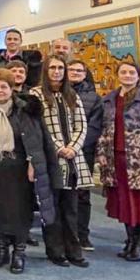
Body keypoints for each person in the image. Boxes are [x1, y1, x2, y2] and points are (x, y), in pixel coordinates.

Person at [0, 69, 58, 274]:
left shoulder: (27, 110)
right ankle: (2, 250)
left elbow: (37, 139)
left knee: (20, 211)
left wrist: (33, 163)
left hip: (20, 168)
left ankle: (19, 253)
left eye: (4, 86)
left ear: (11, 88)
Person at [29, 55, 91, 267]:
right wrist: (59, 148)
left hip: (72, 160)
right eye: (52, 68)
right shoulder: (36, 94)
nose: (57, 72)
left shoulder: (72, 95)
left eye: (60, 68)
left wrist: (73, 147)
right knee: (51, 208)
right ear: (46, 71)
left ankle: (74, 251)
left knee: (71, 209)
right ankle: (55, 251)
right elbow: (39, 126)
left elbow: (81, 125)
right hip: (51, 159)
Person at [96, 61, 140, 261]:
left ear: (138, 75)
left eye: (131, 72)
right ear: (118, 75)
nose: (127, 75)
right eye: (123, 72)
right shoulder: (109, 99)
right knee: (124, 201)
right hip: (115, 158)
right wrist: (101, 152)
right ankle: (130, 240)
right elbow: (103, 128)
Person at [68, 59, 103, 251]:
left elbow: (95, 127)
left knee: (82, 195)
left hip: (83, 152)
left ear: (85, 73)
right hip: (59, 151)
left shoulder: (94, 98)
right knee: (62, 194)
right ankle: (64, 234)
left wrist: (76, 146)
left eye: (79, 70)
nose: (75, 73)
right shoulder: (56, 93)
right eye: (71, 70)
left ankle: (82, 235)